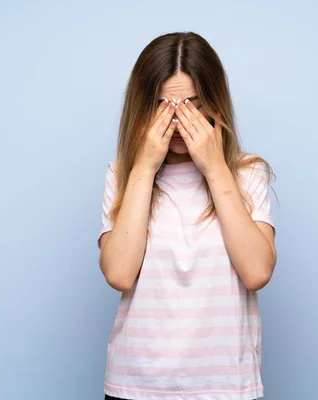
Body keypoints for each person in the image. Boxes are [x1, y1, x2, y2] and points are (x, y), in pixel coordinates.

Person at [97, 31, 277, 400]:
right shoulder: (124, 175)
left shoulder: (247, 174)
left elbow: (257, 272)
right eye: (164, 106)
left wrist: (214, 168)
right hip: (136, 385)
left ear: (214, 102)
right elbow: (118, 273)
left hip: (225, 386)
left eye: (192, 105)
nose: (179, 120)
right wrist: (144, 170)